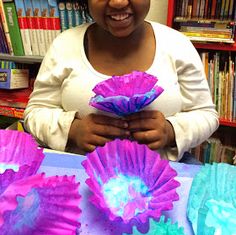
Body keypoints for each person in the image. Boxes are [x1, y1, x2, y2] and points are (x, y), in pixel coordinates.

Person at [24, 0, 219, 162]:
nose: (119, 2)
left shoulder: (177, 45)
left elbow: (206, 114)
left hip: (158, 182)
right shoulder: (65, 45)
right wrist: (72, 130)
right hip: (83, 176)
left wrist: (171, 131)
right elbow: (34, 112)